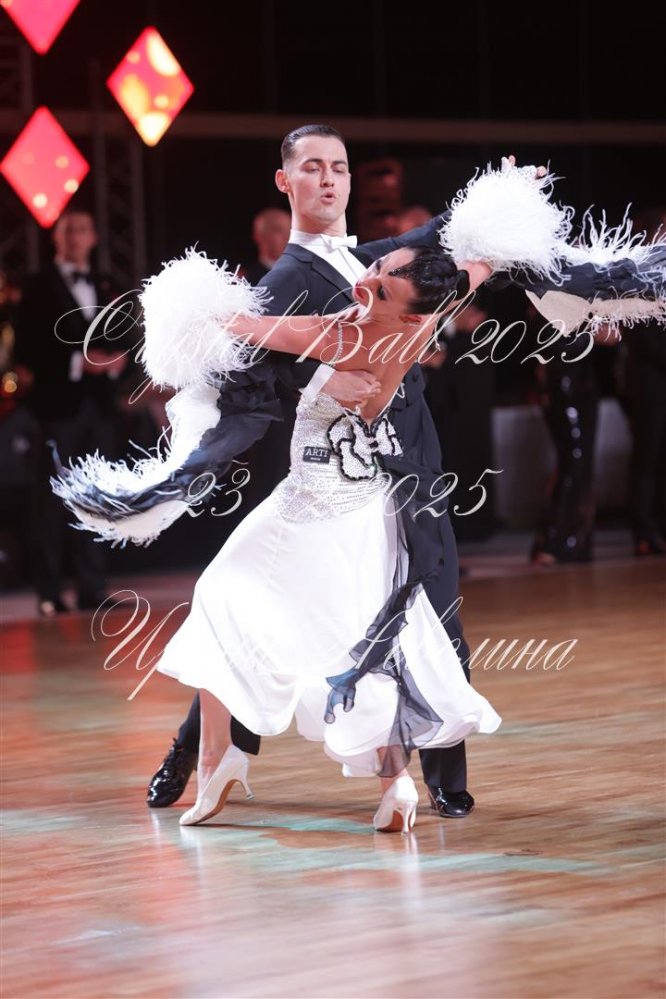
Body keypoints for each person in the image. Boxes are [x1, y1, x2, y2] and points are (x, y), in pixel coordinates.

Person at [148, 124, 480, 820]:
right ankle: (380, 780)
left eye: (339, 167)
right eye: (314, 167)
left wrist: (188, 309)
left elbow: (252, 333)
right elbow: (256, 374)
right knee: (357, 628)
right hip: (353, 490)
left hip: (370, 482)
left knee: (371, 620)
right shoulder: (332, 293)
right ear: (286, 180)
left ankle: (423, 779)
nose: (329, 179)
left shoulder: (353, 296)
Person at [13, 209, 128, 616]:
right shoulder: (36, 286)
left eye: (82, 229)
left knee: (96, 496)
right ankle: (49, 591)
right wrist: (80, 363)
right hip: (57, 407)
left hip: (100, 408)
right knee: (51, 499)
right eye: (68, 230)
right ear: (56, 238)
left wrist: (118, 362)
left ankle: (92, 587)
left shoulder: (107, 284)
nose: (76, 236)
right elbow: (26, 348)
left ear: (94, 237)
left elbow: (127, 334)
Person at [240, 207, 291, 285]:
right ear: (259, 236)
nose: (287, 236)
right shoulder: (245, 282)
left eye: (290, 230)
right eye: (278, 230)